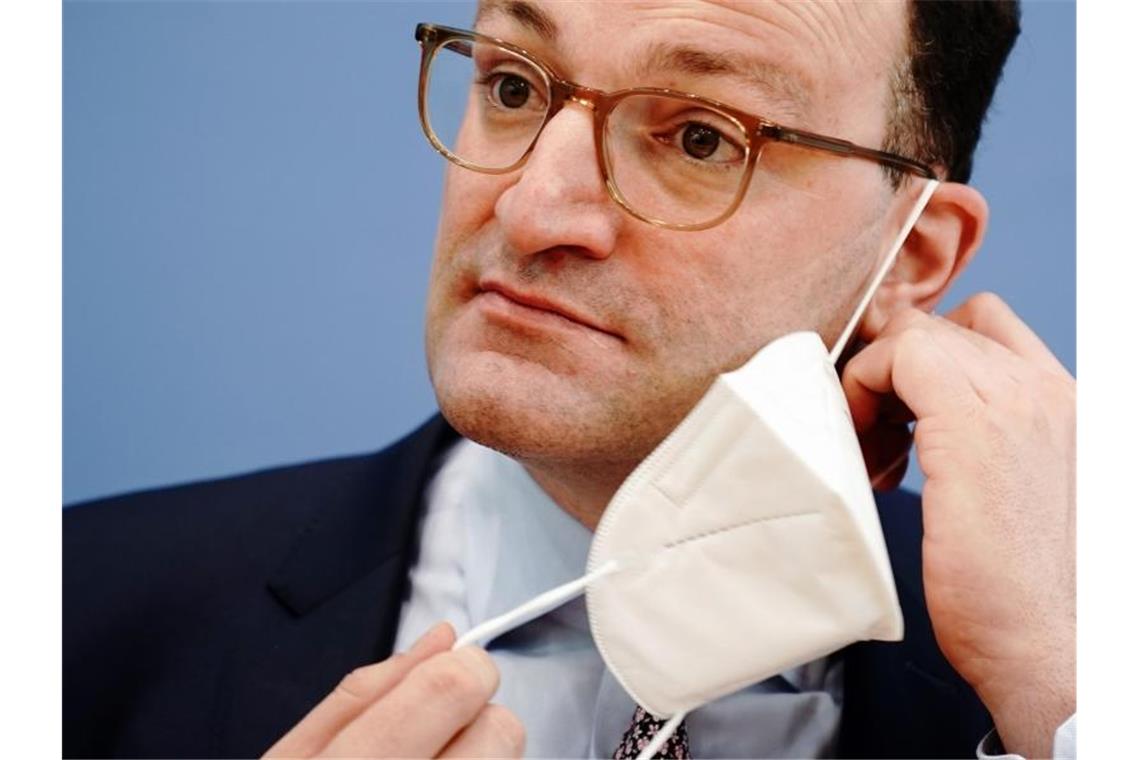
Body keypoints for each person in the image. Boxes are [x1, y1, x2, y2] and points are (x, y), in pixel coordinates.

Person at [64, 1, 1075, 758]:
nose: (532, 210)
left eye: (701, 137)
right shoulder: (70, 611)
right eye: (513, 86)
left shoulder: (1063, 677)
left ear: (908, 257)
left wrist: (1073, 703)